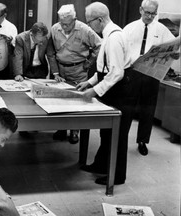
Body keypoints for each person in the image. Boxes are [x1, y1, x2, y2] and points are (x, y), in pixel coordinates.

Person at [76, 2, 137, 185]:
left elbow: (116, 72)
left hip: (121, 91)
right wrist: (90, 81)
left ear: (100, 20)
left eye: (89, 22)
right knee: (106, 132)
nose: (89, 26)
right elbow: (104, 68)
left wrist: (94, 91)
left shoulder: (115, 38)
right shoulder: (108, 35)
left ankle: (117, 176)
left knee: (117, 135)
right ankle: (101, 165)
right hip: (112, 88)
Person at [123, 0, 175, 156]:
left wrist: (175, 54)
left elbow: (172, 47)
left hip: (151, 74)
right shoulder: (129, 28)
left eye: (153, 13)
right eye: (147, 12)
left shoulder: (162, 29)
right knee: (127, 108)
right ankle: (121, 139)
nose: (150, 16)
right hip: (132, 72)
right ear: (140, 10)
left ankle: (142, 141)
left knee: (148, 108)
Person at [47, 4, 101, 144]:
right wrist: (55, 72)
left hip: (78, 70)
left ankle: (75, 131)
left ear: (74, 19)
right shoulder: (54, 28)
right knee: (59, 100)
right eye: (62, 23)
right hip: (60, 69)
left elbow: (100, 45)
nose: (64, 27)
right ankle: (61, 128)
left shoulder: (84, 29)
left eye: (67, 24)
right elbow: (51, 52)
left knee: (76, 100)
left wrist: (90, 61)